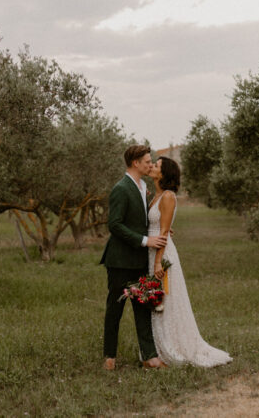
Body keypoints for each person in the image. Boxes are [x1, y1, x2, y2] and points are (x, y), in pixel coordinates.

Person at [147, 157, 231, 367]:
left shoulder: (168, 196)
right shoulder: (155, 196)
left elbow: (164, 231)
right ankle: (157, 347)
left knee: (167, 299)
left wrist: (158, 262)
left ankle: (173, 346)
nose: (152, 167)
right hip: (151, 251)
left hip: (162, 253)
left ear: (164, 173)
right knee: (157, 300)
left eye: (156, 165)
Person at [100, 145, 168, 370]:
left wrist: (155, 230)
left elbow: (140, 219)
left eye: (151, 161)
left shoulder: (143, 187)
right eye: (147, 161)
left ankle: (150, 357)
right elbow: (115, 224)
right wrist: (145, 241)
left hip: (139, 260)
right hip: (119, 260)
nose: (151, 164)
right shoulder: (121, 188)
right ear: (136, 163)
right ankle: (109, 357)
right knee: (115, 308)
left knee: (143, 306)